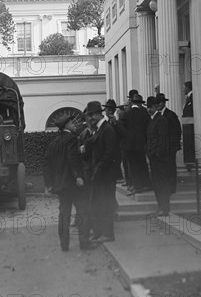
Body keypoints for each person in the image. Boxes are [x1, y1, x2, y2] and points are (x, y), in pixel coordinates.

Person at [43, 116, 93, 252]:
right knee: (83, 211)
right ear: (66, 125)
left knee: (64, 214)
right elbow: (72, 159)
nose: (74, 124)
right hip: (73, 184)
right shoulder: (72, 139)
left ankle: (64, 245)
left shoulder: (54, 142)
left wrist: (48, 184)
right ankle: (84, 243)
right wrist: (78, 176)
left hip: (60, 185)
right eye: (72, 122)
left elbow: (47, 164)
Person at [82, 101, 122, 243]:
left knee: (105, 204)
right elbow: (92, 143)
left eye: (92, 115)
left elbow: (110, 154)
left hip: (106, 175)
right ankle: (99, 232)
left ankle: (108, 234)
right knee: (98, 204)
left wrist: (98, 170)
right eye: (89, 115)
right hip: (100, 174)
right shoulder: (101, 129)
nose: (90, 118)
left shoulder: (107, 129)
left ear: (100, 113)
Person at [117, 94, 152, 194]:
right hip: (142, 144)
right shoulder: (145, 114)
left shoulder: (127, 114)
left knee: (133, 166)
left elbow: (122, 129)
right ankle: (146, 184)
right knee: (143, 164)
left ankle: (136, 185)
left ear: (132, 103)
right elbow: (148, 128)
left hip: (130, 145)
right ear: (141, 103)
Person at [146, 96, 171, 216]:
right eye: (148, 106)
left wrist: (155, 153)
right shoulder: (153, 119)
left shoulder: (160, 120)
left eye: (150, 107)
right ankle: (160, 206)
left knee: (161, 183)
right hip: (154, 157)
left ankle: (164, 207)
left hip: (159, 158)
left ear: (156, 106)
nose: (148, 109)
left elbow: (162, 140)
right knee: (156, 183)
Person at [156, 93, 181, 195]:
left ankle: (171, 187)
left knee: (170, 167)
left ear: (163, 103)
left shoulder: (170, 115)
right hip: (161, 146)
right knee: (163, 167)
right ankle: (165, 186)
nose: (158, 105)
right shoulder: (157, 116)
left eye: (159, 103)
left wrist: (174, 144)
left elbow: (177, 130)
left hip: (170, 146)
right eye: (156, 103)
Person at [182, 81, 195, 167]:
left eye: (184, 88)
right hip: (187, 126)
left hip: (190, 127)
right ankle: (189, 161)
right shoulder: (188, 98)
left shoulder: (192, 97)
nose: (183, 90)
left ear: (188, 87)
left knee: (190, 144)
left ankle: (191, 161)